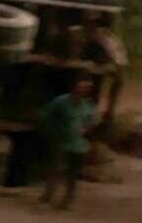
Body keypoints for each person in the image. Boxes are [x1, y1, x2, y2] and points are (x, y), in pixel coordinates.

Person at [40, 74, 99, 210]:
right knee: (56, 170)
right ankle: (48, 196)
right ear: (75, 87)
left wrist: (87, 130)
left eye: (87, 87)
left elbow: (93, 121)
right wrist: (53, 132)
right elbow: (45, 114)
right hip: (62, 143)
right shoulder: (61, 102)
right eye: (82, 86)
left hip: (79, 146)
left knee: (73, 175)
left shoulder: (87, 105)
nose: (85, 90)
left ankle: (67, 201)